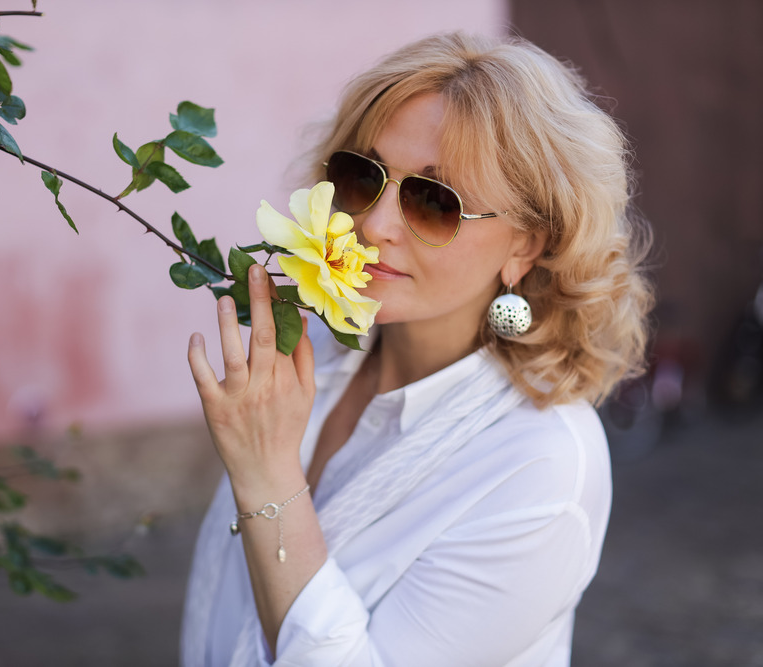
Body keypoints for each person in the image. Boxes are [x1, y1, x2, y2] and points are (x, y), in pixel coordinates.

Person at [181, 31, 653, 666]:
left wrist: (268, 477)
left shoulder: (543, 468)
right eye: (362, 176)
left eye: (434, 201)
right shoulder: (316, 347)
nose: (374, 226)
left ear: (527, 245)